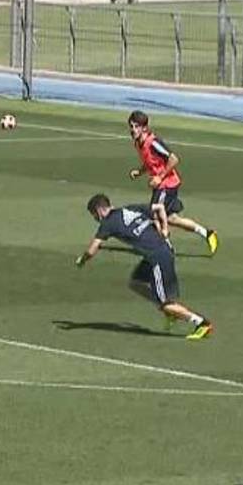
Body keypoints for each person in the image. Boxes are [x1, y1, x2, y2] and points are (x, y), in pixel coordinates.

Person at [76, 193, 213, 340]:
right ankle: (169, 311)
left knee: (165, 303)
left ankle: (201, 323)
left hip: (158, 256)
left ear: (99, 210)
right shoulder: (130, 209)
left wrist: (82, 260)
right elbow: (160, 207)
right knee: (136, 283)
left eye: (94, 215)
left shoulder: (108, 223)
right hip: (160, 251)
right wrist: (165, 229)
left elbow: (92, 250)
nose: (96, 219)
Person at [127, 110, 218, 255]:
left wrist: (159, 177)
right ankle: (207, 233)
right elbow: (151, 163)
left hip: (167, 185)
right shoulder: (138, 143)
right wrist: (139, 171)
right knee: (171, 219)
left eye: (136, 126)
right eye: (131, 126)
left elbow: (173, 159)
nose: (133, 130)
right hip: (163, 185)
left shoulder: (153, 143)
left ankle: (165, 246)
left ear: (144, 128)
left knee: (155, 212)